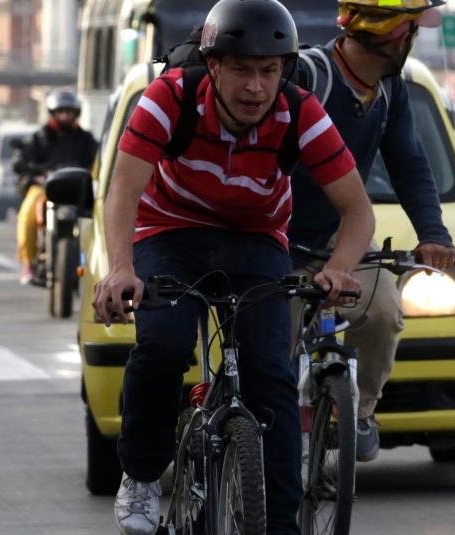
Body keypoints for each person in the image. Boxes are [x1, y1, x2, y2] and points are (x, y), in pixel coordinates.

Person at [96, 1, 374, 533]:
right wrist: (119, 267)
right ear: (213, 66)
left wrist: (340, 267)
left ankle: (280, 526)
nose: (256, 87)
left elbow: (357, 210)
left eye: (269, 71)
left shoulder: (301, 112)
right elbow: (123, 191)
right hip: (169, 232)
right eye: (242, 70)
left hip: (255, 241)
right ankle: (143, 473)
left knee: (272, 375)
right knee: (164, 344)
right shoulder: (169, 98)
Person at [288, 0, 455, 462]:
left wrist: (434, 234)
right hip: (275, 246)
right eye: (412, 29)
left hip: (339, 243)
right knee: (273, 344)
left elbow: (409, 163)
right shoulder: (307, 77)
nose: (414, 39)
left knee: (382, 311)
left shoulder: (389, 89)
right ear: (389, 35)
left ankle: (357, 412)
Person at [12, 88, 98, 285]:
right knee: (26, 214)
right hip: (44, 187)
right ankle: (27, 264)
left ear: (77, 114)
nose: (65, 116)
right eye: (61, 112)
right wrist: (32, 169)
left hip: (77, 189)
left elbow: (98, 160)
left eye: (69, 112)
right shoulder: (39, 137)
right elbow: (21, 160)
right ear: (52, 113)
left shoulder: (85, 139)